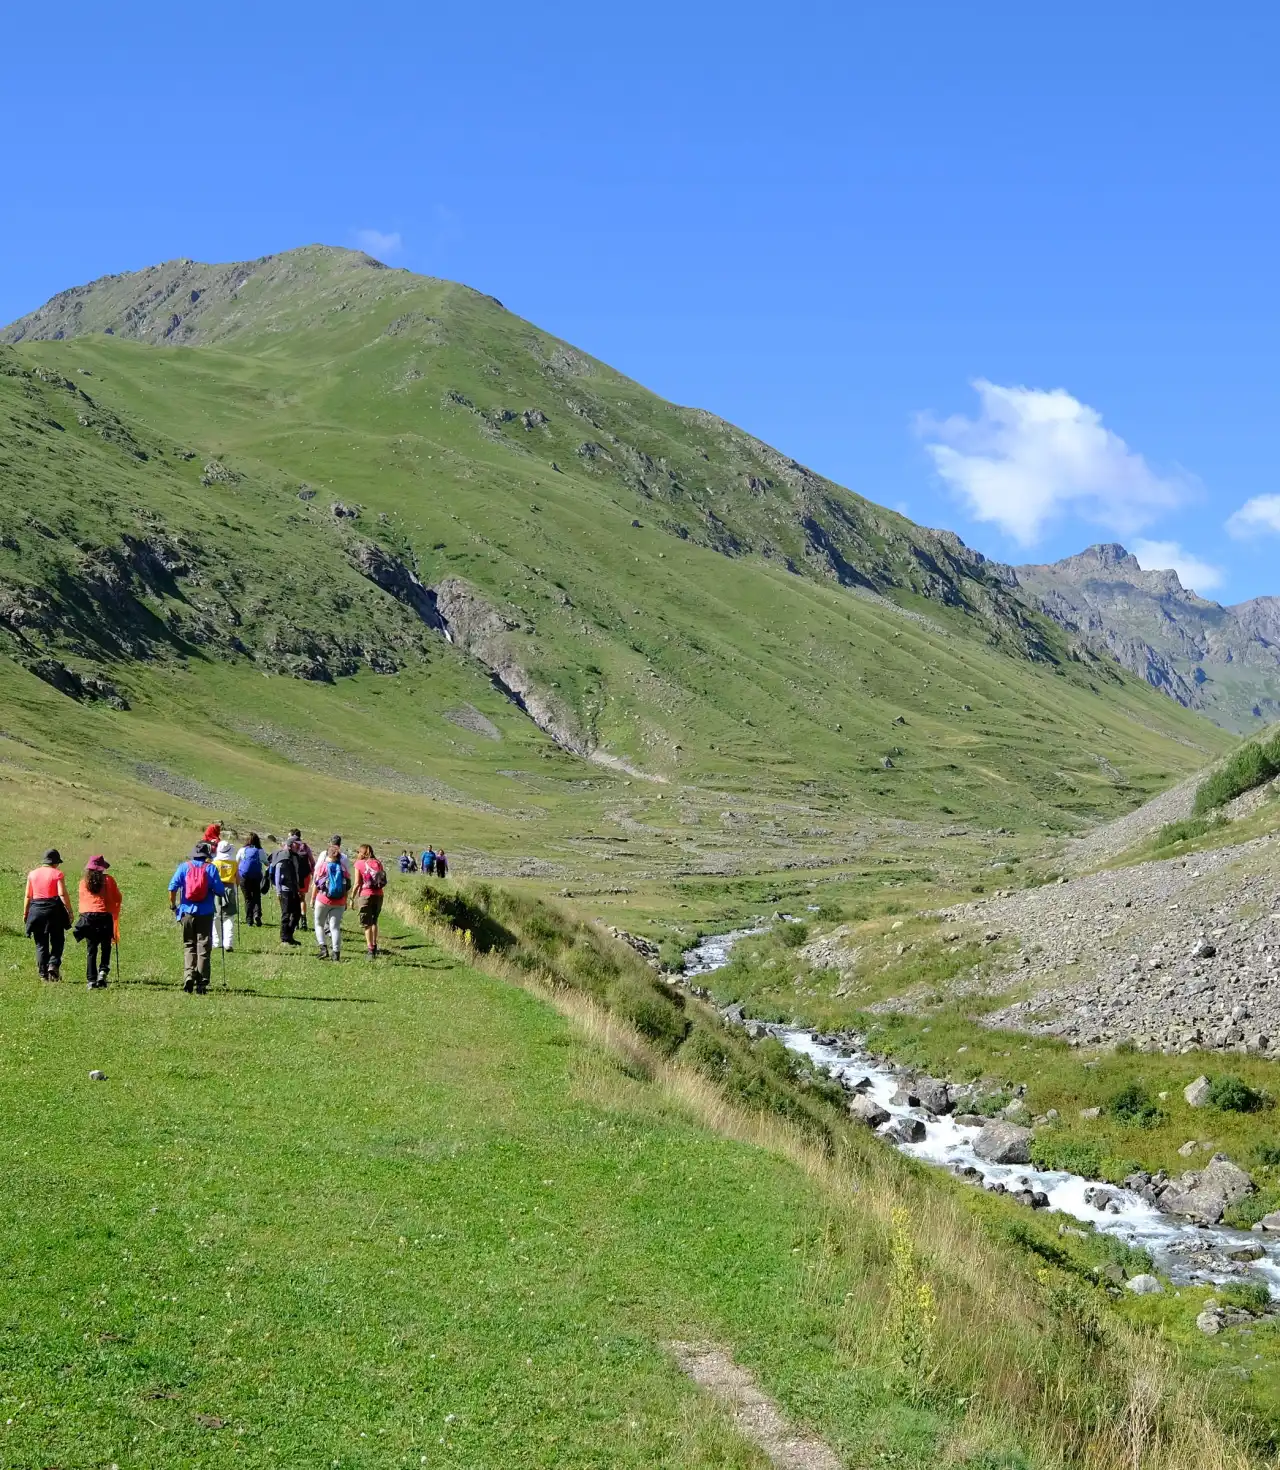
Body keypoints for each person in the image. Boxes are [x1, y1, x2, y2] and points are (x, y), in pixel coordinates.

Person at [168, 841, 226, 994]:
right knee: (204, 946)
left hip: (187, 912)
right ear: (206, 855)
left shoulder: (184, 867)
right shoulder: (211, 868)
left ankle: (189, 975)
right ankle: (201, 981)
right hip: (205, 913)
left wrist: (173, 906)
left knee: (189, 944)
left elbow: (172, 887)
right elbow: (220, 891)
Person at [24, 849, 72, 982]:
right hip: (54, 910)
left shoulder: (32, 874)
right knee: (58, 940)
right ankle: (53, 964)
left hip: (36, 910)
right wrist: (69, 911)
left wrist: (26, 913)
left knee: (41, 944)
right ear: (55, 863)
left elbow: (28, 896)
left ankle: (43, 975)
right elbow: (61, 894)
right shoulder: (57, 874)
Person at [76, 855, 121, 990]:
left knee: (91, 949)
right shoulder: (108, 880)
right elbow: (117, 898)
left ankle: (91, 980)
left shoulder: (83, 882)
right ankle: (103, 972)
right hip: (104, 915)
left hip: (88, 918)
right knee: (106, 946)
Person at [313, 840, 352, 960]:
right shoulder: (343, 868)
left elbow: (316, 883)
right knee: (335, 927)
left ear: (327, 854)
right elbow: (347, 885)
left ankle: (323, 949)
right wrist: (345, 900)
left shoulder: (323, 866)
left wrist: (313, 898)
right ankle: (336, 953)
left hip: (323, 899)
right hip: (339, 901)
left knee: (319, 924)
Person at [353, 844, 388, 959]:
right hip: (379, 895)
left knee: (367, 924)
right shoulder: (378, 862)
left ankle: (370, 949)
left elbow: (357, 883)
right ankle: (375, 944)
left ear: (362, 853)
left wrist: (352, 897)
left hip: (365, 895)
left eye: (358, 852)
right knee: (374, 921)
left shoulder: (359, 864)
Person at [273, 838, 308, 946]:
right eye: (297, 844)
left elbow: (296, 874)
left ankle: (289, 936)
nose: (299, 847)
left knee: (297, 913)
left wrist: (298, 888)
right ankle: (284, 939)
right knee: (286, 914)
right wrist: (278, 891)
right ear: (291, 844)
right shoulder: (282, 856)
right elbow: (277, 874)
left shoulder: (295, 857)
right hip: (285, 890)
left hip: (294, 889)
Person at [212, 839, 239, 951]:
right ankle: (228, 942)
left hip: (216, 890)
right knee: (229, 916)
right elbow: (238, 879)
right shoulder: (234, 863)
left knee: (215, 916)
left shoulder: (214, 863)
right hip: (230, 889)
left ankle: (217, 942)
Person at [237, 832, 267, 927]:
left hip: (244, 876)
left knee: (248, 898)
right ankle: (257, 914)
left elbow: (236, 862)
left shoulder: (242, 850)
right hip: (257, 876)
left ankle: (249, 920)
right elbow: (266, 863)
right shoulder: (260, 851)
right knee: (257, 896)